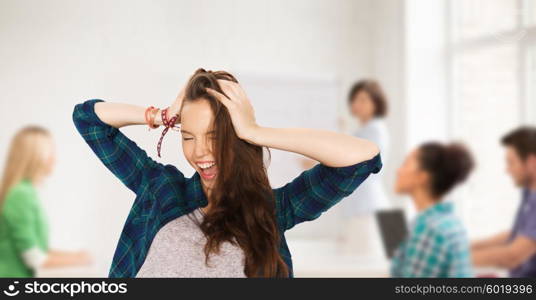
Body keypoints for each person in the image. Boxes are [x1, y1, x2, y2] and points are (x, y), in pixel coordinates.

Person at [72, 68, 382, 278]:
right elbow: (89, 120)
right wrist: (161, 115)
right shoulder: (162, 189)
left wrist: (255, 131)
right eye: (188, 136)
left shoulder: (271, 211)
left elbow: (361, 158)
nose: (200, 152)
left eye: (215, 137)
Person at [0, 126, 91, 277]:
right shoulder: (21, 194)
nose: (55, 159)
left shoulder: (25, 191)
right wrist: (79, 259)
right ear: (35, 157)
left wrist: (76, 256)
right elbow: (34, 258)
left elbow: (36, 248)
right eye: (51, 153)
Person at [391, 142, 474, 277]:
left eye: (406, 164)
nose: (398, 170)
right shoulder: (449, 222)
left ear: (423, 177)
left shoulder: (428, 230)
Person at [472, 127, 536, 277]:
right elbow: (516, 235)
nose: (507, 170)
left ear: (532, 162)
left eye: (511, 163)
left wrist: (455, 259)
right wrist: (464, 247)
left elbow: (513, 256)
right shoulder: (529, 195)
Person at [341, 79, 390, 216]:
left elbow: (349, 160)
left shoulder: (375, 129)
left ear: (376, 103)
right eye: (355, 99)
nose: (357, 104)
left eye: (363, 100)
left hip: (368, 207)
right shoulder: (365, 130)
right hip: (369, 206)